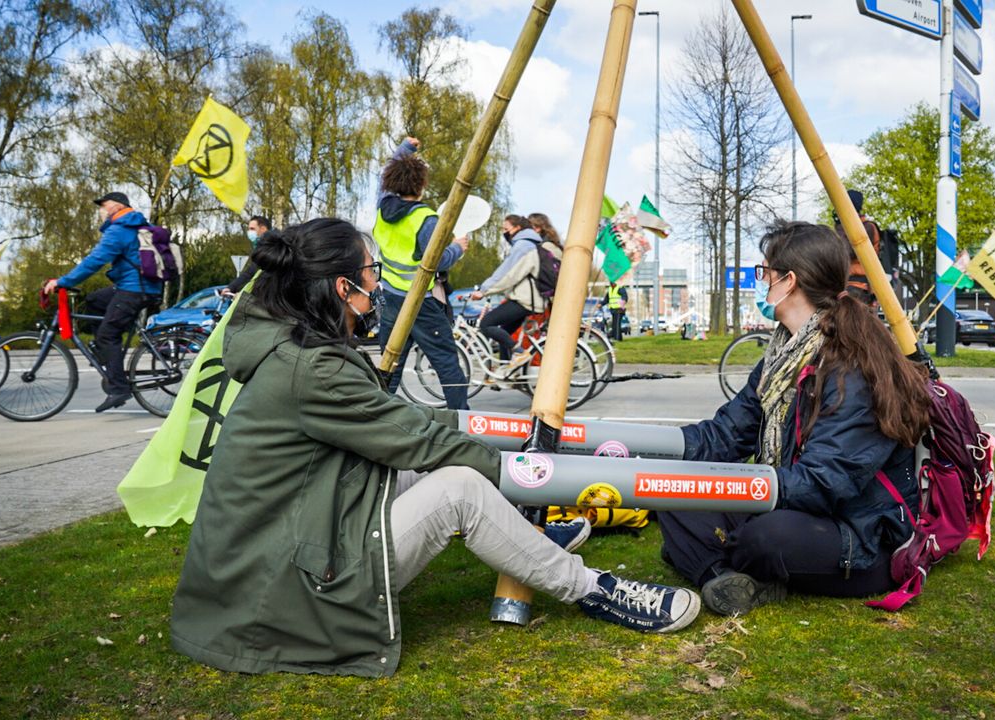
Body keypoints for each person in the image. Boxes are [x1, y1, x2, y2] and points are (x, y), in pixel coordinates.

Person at [170, 218, 700, 677]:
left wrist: (501, 430)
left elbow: (402, 421)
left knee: (433, 472)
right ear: (341, 286)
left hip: (268, 562)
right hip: (282, 595)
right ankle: (595, 590)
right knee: (460, 487)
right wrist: (516, 468)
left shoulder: (291, 344)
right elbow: (418, 439)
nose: (377, 281)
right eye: (372, 270)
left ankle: (521, 536)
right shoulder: (311, 368)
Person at [657, 220, 931, 616]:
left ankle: (713, 559)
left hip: (859, 536)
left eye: (763, 273)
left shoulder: (853, 367)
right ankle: (724, 577)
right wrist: (657, 456)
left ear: (788, 281)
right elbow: (725, 434)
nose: (760, 282)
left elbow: (825, 484)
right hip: (793, 500)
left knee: (766, 537)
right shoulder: (781, 356)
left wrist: (734, 490)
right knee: (671, 491)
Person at [372, 136, 471, 410]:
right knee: (447, 363)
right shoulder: (425, 218)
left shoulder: (383, 207)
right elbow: (437, 261)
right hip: (420, 303)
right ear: (422, 185)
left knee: (389, 365)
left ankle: (379, 416)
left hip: (390, 298)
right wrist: (457, 248)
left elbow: (385, 175)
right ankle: (461, 421)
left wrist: (405, 149)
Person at [44, 192, 163, 412]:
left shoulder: (119, 230)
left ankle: (118, 388)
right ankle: (105, 353)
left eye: (103, 205)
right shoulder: (135, 225)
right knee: (94, 300)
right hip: (140, 286)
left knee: (109, 334)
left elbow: (94, 262)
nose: (101, 210)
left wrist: (62, 281)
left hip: (134, 289)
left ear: (116, 207)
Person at [470, 214, 561, 366]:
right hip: (532, 299)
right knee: (505, 332)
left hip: (524, 300)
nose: (504, 232)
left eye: (506, 229)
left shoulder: (523, 245)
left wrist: (484, 290)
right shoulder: (535, 243)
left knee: (486, 324)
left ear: (518, 228)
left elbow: (508, 273)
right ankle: (505, 371)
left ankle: (519, 354)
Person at [833, 189, 882, 305]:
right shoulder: (852, 227)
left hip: (858, 285)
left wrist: (840, 228)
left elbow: (846, 252)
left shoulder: (866, 228)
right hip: (847, 283)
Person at [222, 215, 271, 298]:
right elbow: (250, 272)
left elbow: (265, 277)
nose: (249, 232)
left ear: (263, 229)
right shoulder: (260, 248)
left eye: (252, 229)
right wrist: (231, 287)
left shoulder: (273, 248)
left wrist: (247, 295)